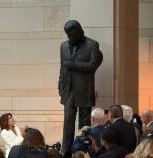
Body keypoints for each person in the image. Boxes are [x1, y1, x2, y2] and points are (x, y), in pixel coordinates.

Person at [58, 20, 103, 158]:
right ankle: (65, 152)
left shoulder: (92, 45)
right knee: (68, 122)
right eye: (68, 35)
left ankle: (82, 152)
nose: (70, 38)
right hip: (69, 89)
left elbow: (92, 66)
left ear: (79, 31)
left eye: (73, 34)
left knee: (84, 124)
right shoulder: (64, 46)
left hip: (84, 89)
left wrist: (74, 64)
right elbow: (62, 68)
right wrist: (60, 85)